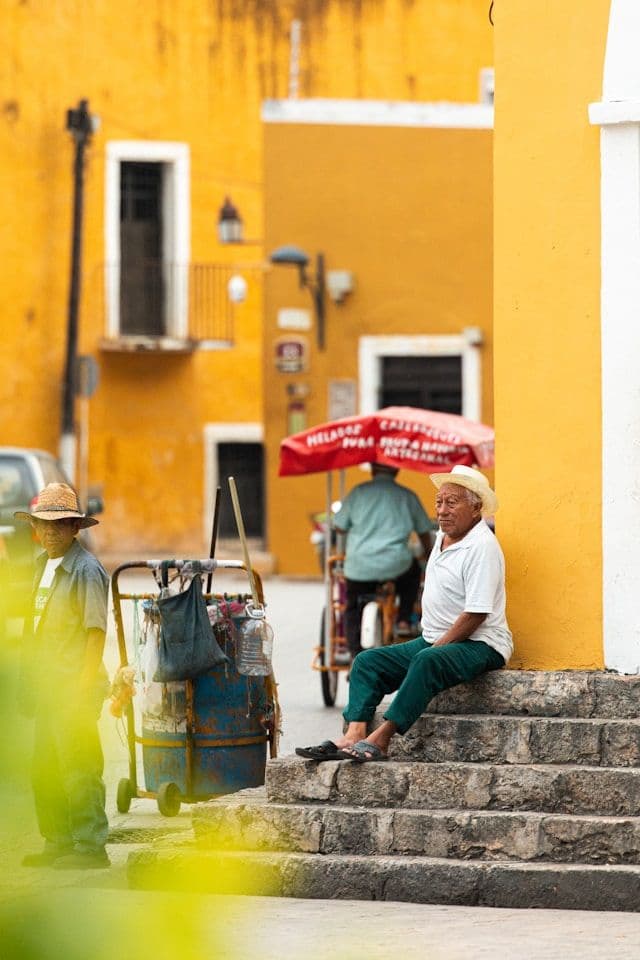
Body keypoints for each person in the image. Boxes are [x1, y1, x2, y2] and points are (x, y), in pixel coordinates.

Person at [296, 464, 512, 762]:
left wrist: (437, 647)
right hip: (434, 640)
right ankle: (354, 734)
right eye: (439, 502)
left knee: (426, 659)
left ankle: (381, 739)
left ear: (476, 509)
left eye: (452, 502)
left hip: (481, 644)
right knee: (367, 662)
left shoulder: (482, 547)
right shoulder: (443, 536)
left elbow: (476, 614)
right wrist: (432, 644)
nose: (442, 510)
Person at [15, 482, 111, 868]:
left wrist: (83, 688)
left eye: (60, 525)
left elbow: (95, 634)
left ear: (75, 528)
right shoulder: (41, 566)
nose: (51, 532)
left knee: (79, 767)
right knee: (46, 768)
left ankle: (90, 847)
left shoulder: (86, 570)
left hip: (74, 686)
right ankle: (57, 840)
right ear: (35, 529)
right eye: (44, 525)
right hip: (46, 685)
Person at [333, 463, 433, 657]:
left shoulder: (358, 493)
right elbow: (423, 531)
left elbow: (339, 526)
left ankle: (355, 653)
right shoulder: (407, 496)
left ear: (372, 471)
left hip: (359, 566)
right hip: (396, 564)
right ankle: (404, 619)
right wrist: (429, 553)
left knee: (352, 606)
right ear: (397, 470)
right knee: (413, 573)